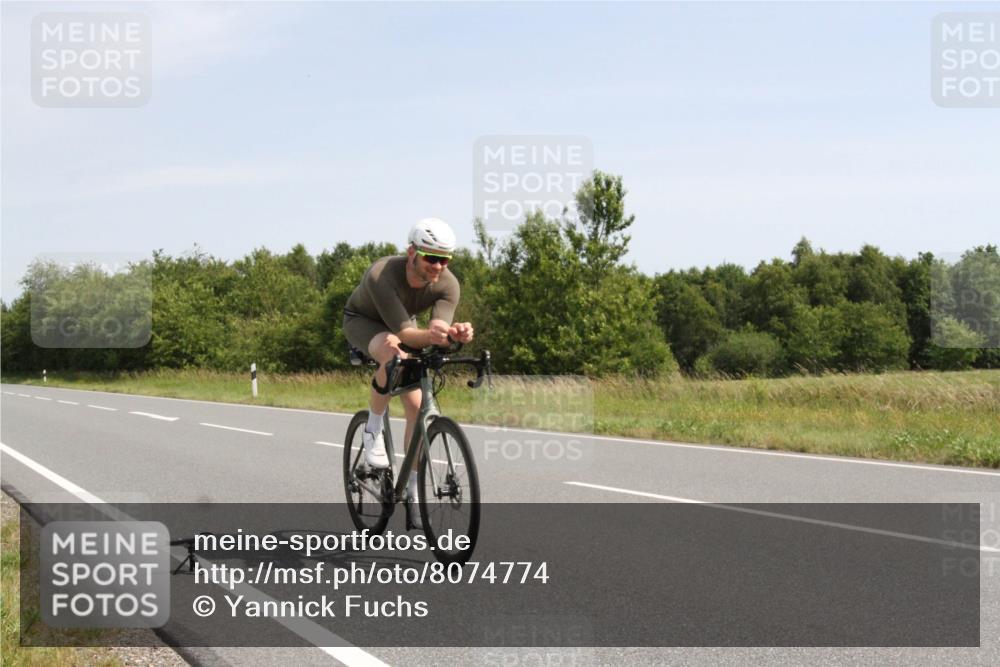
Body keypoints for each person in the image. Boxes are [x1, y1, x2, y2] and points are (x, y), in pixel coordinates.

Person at [342, 218, 474, 523]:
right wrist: (431, 336)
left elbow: (437, 327)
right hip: (364, 321)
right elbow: (404, 334)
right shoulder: (382, 273)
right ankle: (372, 432)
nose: (438, 267)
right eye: (431, 258)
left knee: (416, 406)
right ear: (412, 251)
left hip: (405, 324)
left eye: (444, 260)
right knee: (392, 356)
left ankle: (413, 491)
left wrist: (455, 333)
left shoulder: (448, 284)